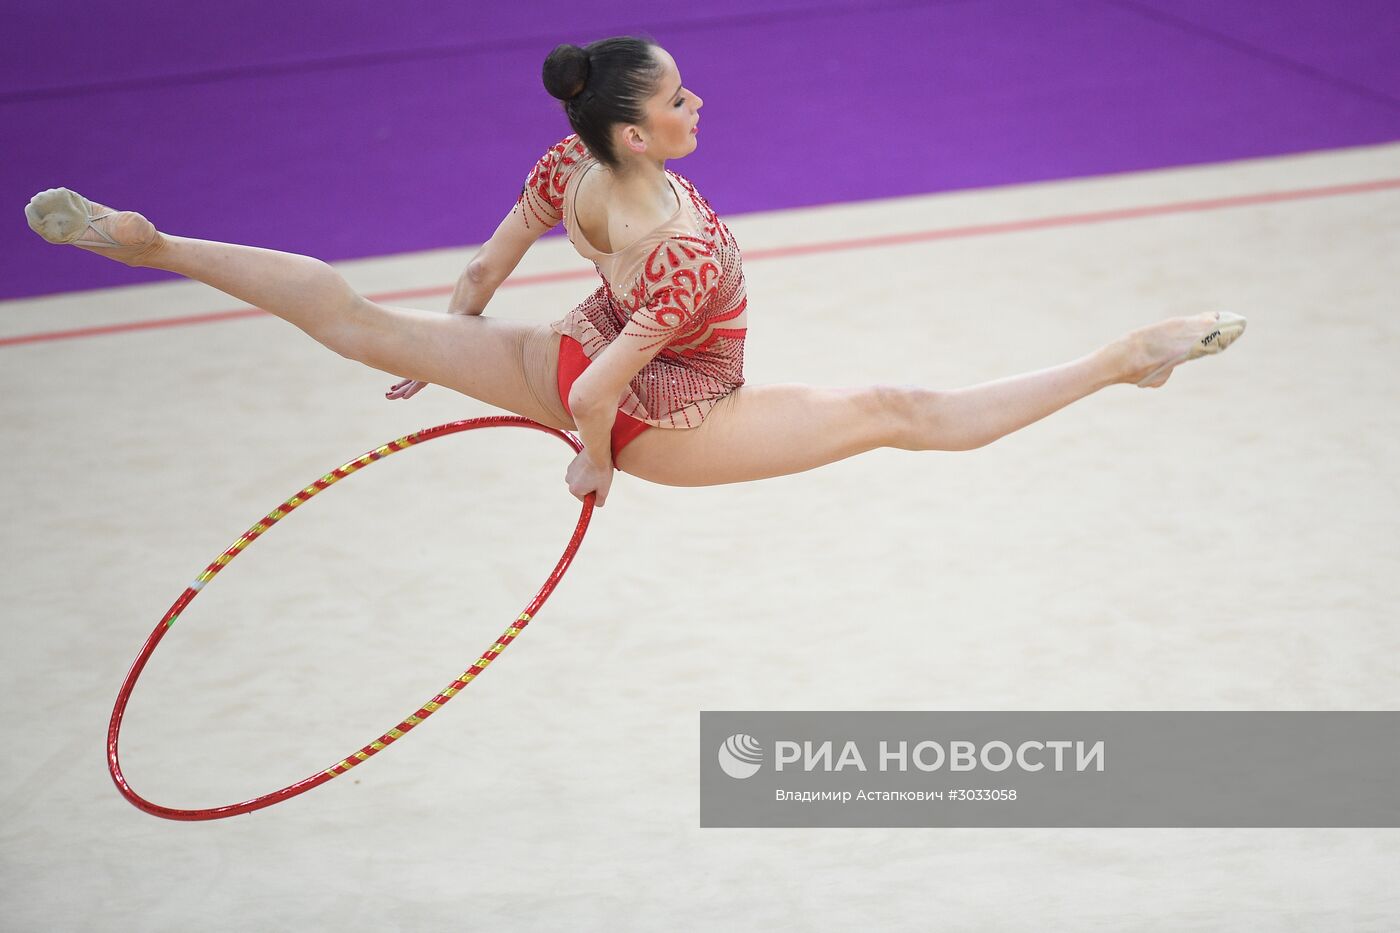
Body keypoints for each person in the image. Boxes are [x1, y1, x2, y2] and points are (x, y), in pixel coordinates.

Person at [24, 35, 1245, 509]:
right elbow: (607, 396)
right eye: (676, 99)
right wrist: (592, 468)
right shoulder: (682, 246)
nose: (695, 101)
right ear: (635, 132)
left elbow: (481, 267)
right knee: (896, 414)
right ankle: (1120, 360)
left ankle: (159, 245)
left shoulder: (566, 167)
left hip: (551, 346)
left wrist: (449, 346)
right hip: (663, 414)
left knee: (352, 318)